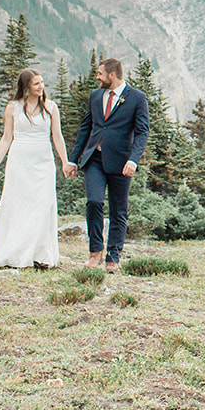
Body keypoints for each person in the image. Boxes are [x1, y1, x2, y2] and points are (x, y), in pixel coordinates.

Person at [66, 57, 149, 271]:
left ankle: (113, 256)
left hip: (121, 162)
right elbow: (85, 128)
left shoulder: (137, 98)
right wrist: (73, 160)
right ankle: (95, 253)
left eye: (100, 73)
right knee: (94, 202)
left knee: (118, 210)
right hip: (94, 158)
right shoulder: (95, 96)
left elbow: (142, 133)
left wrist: (133, 159)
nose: (97, 77)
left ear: (112, 75)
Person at [0, 69, 68, 269]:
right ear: (26, 87)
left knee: (42, 204)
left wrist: (65, 162)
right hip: (19, 160)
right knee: (18, 204)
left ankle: (40, 254)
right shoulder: (13, 108)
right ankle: (15, 252)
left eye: (42, 83)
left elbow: (57, 137)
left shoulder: (51, 107)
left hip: (44, 161)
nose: (41, 87)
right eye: (36, 84)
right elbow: (6, 138)